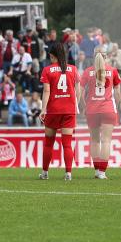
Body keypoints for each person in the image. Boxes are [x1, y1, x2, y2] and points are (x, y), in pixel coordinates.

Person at [38, 42, 79, 181]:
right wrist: (75, 104)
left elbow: (46, 90)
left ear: (51, 55)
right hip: (69, 110)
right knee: (67, 143)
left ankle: (44, 173)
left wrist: (43, 109)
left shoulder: (47, 70)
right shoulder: (73, 69)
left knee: (49, 143)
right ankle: (68, 173)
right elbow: (77, 89)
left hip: (54, 110)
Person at [80, 51, 121, 179]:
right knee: (106, 141)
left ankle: (97, 171)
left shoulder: (87, 71)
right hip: (108, 108)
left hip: (92, 109)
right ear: (106, 57)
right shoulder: (112, 70)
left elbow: (80, 91)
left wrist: (84, 105)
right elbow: (118, 94)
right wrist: (117, 106)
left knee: (94, 140)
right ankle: (103, 172)